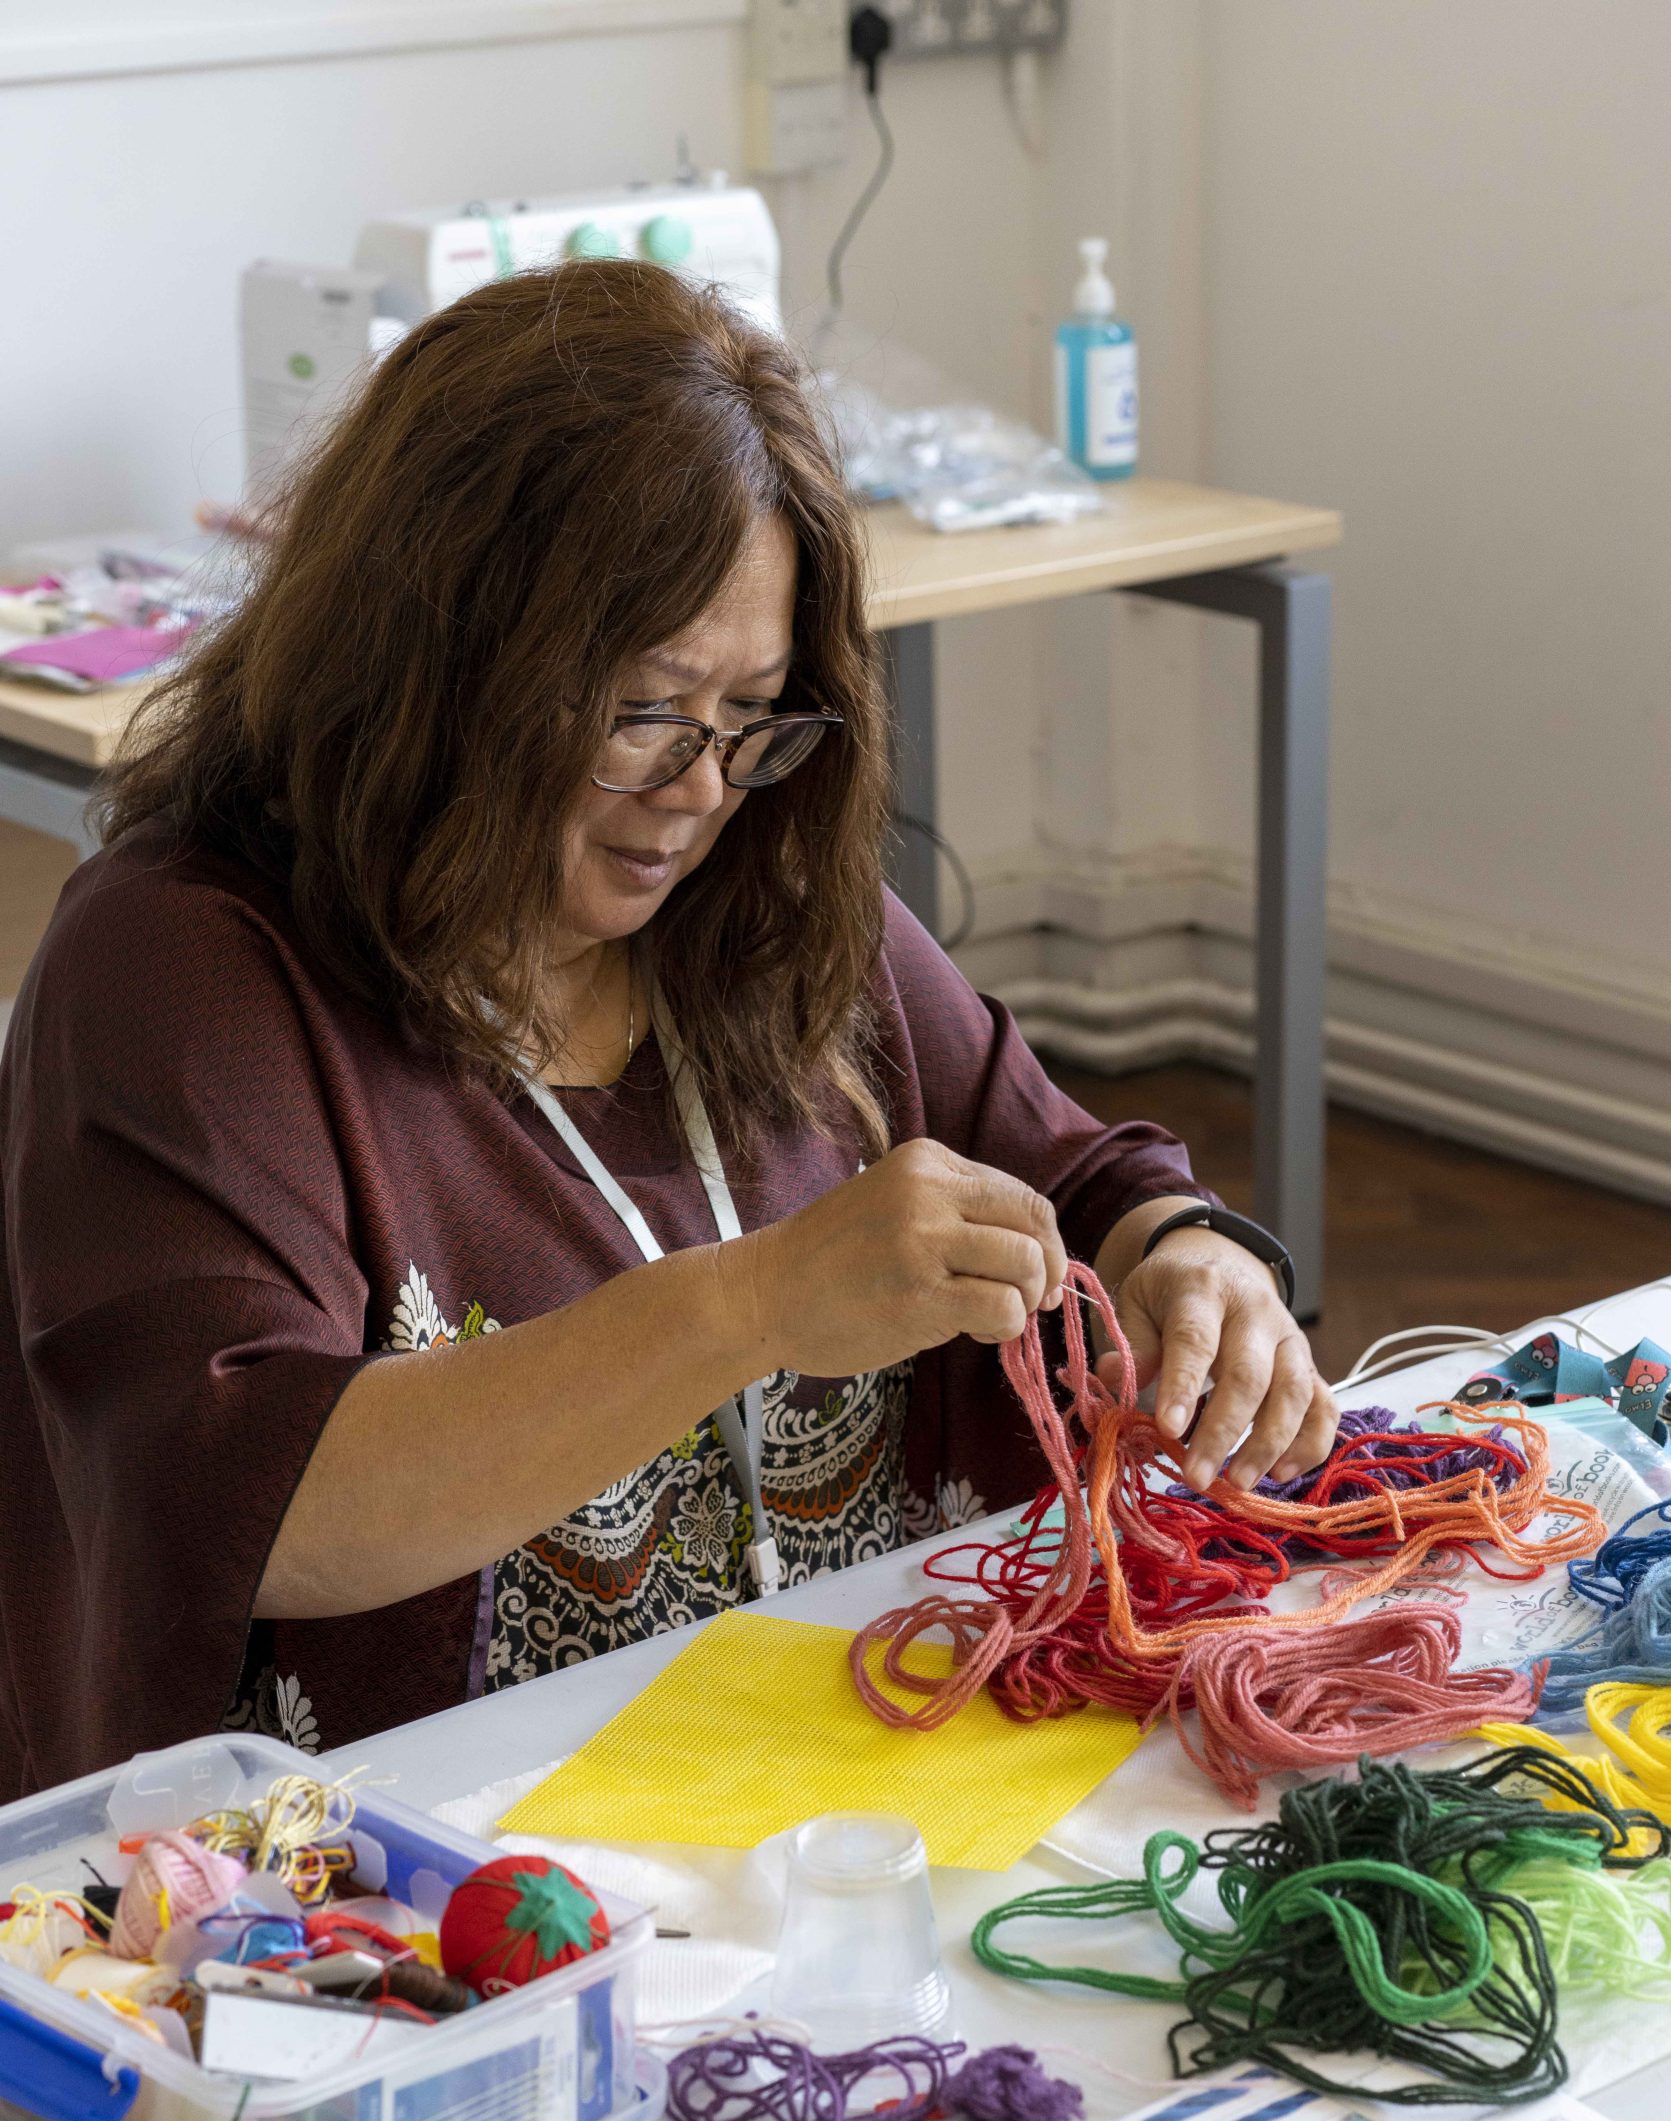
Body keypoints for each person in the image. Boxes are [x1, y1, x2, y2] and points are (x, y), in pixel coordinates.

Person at [0, 261, 1336, 1800]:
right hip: (393, 1903)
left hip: (844, 1801)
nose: (703, 787)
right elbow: (255, 1505)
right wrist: (750, 1308)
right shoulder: (187, 969)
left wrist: (1188, 1255)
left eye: (754, 716)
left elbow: (1072, 1170)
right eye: (644, 709)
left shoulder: (759, 903)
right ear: (442, 662)